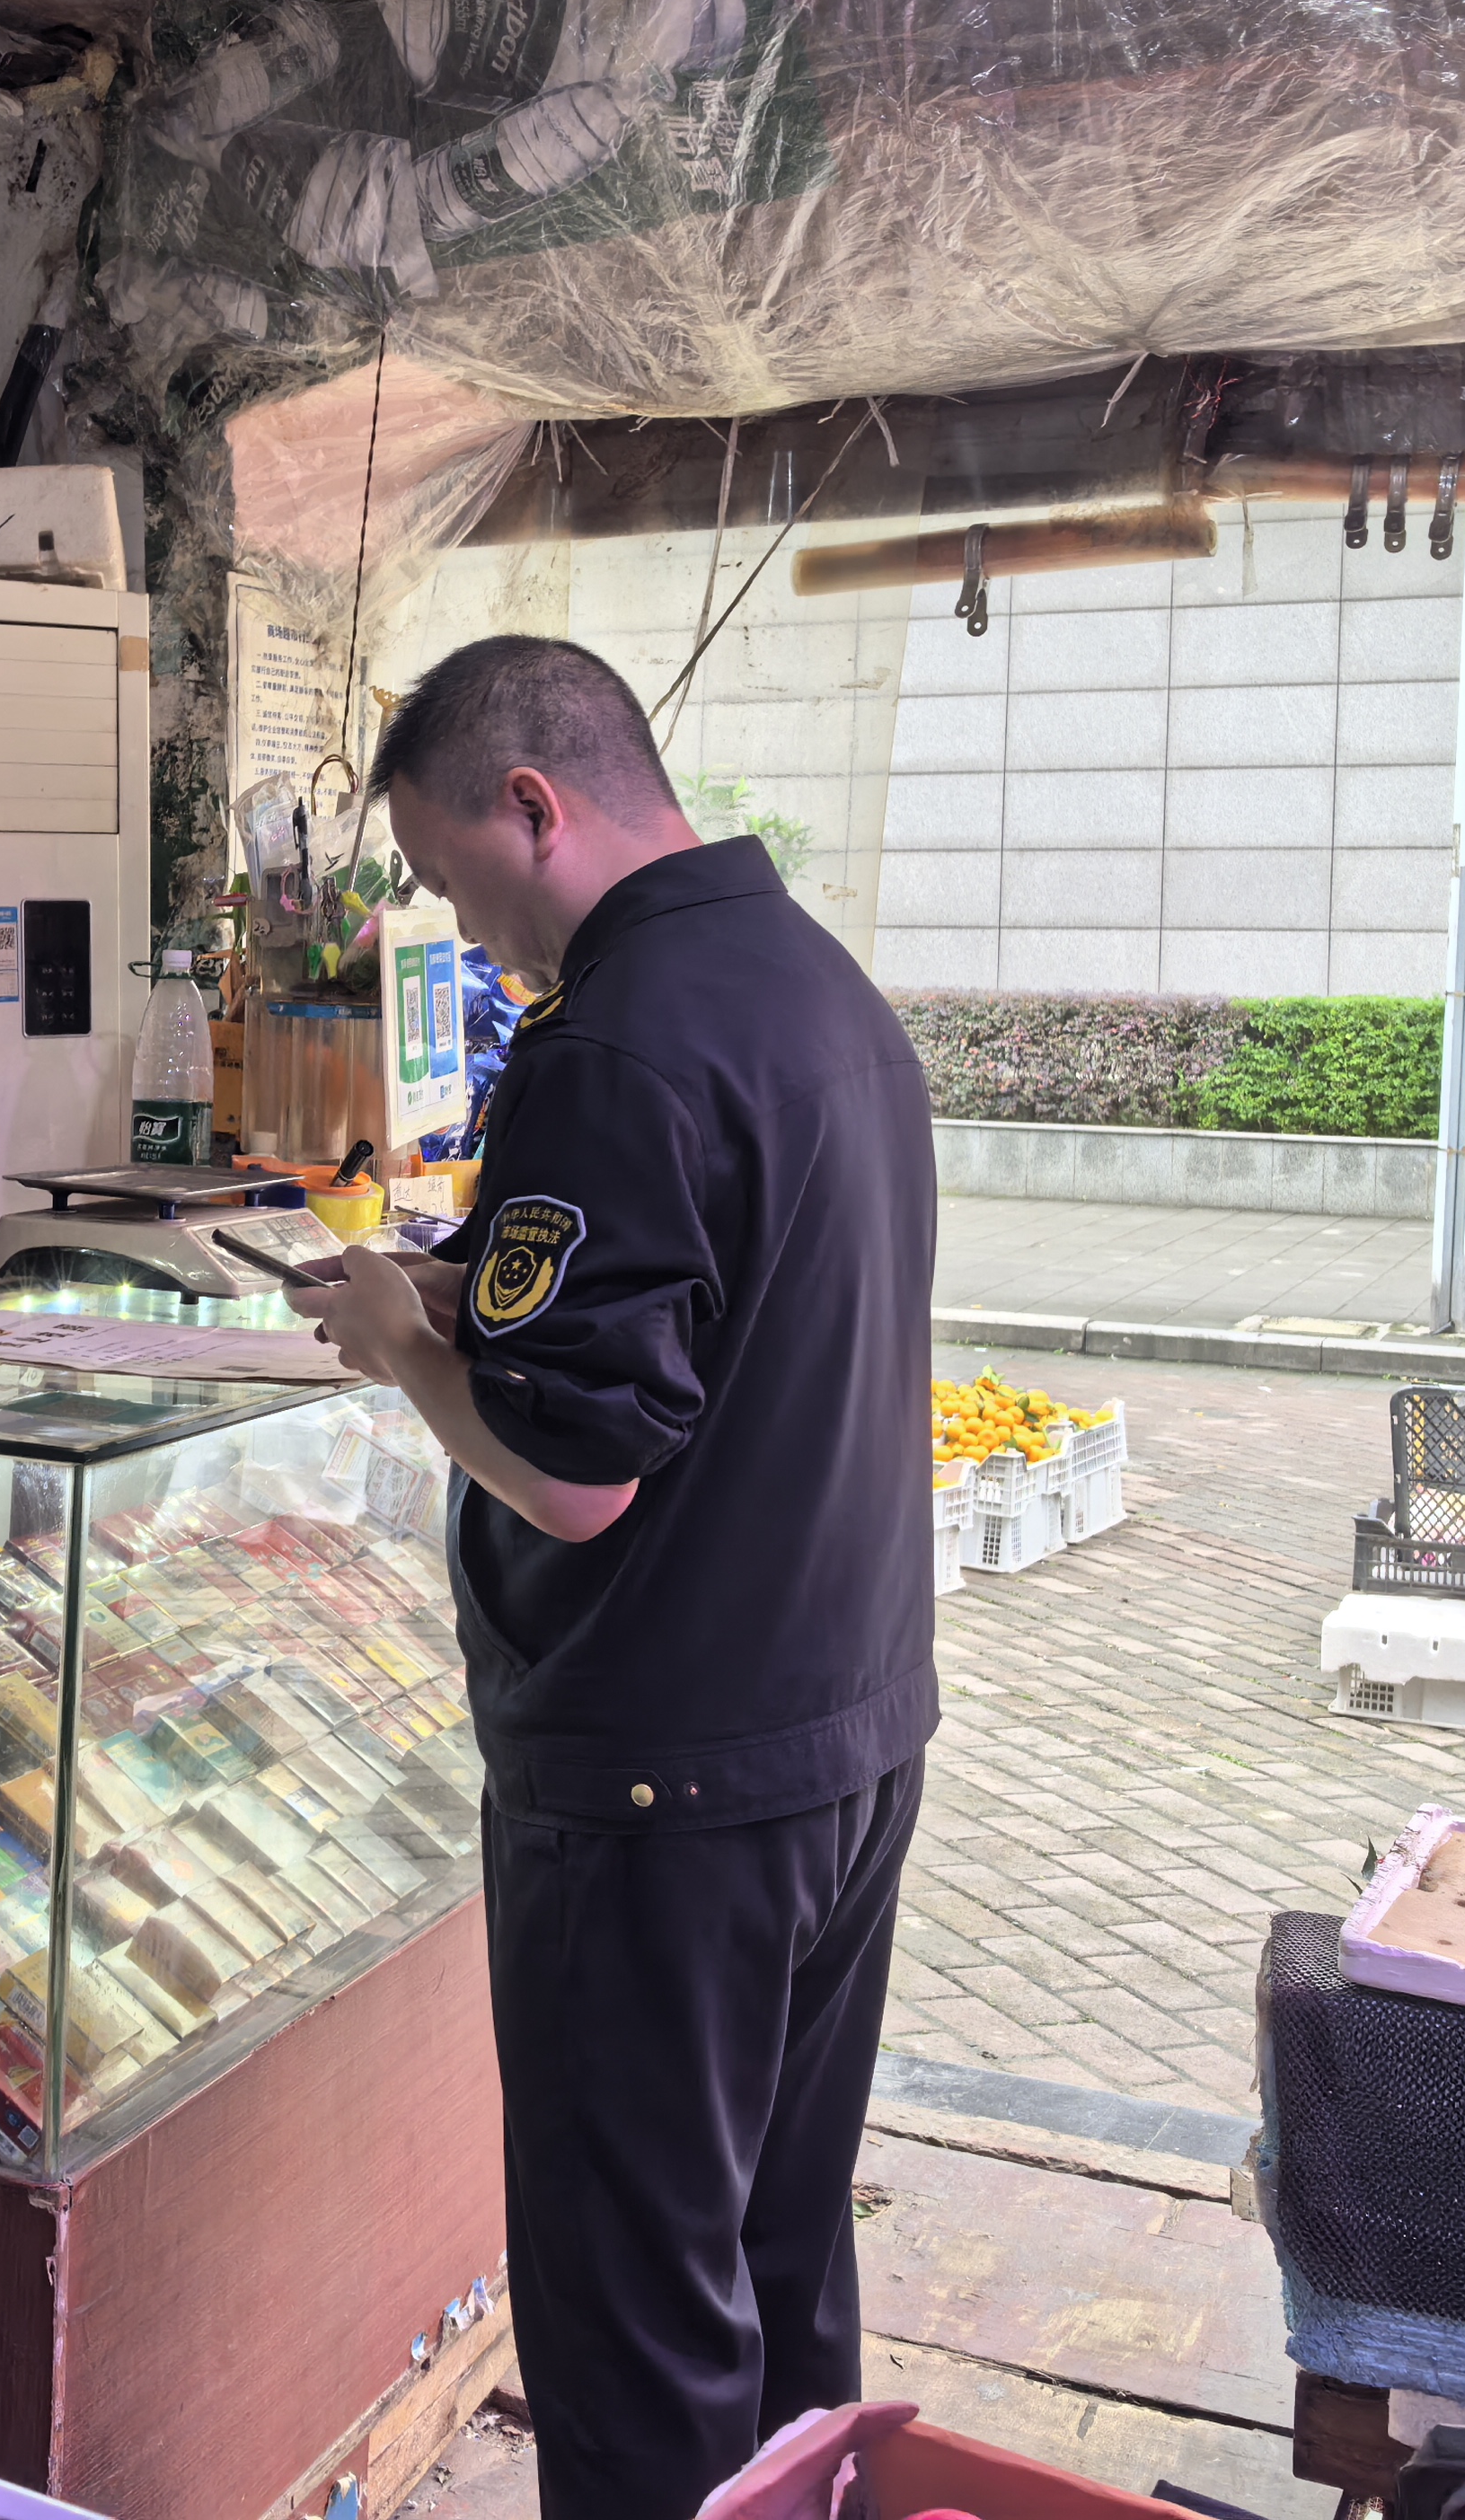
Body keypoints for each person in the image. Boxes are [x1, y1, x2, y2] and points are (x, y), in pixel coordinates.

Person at [287, 637, 937, 2520]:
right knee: (775, 2266)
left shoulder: (613, 1037)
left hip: (661, 1788)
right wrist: (462, 1293)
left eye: (442, 876)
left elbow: (576, 1474)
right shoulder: (817, 989)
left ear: (530, 808)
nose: (460, 928)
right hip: (841, 1737)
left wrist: (406, 1350)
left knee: (635, 2328)